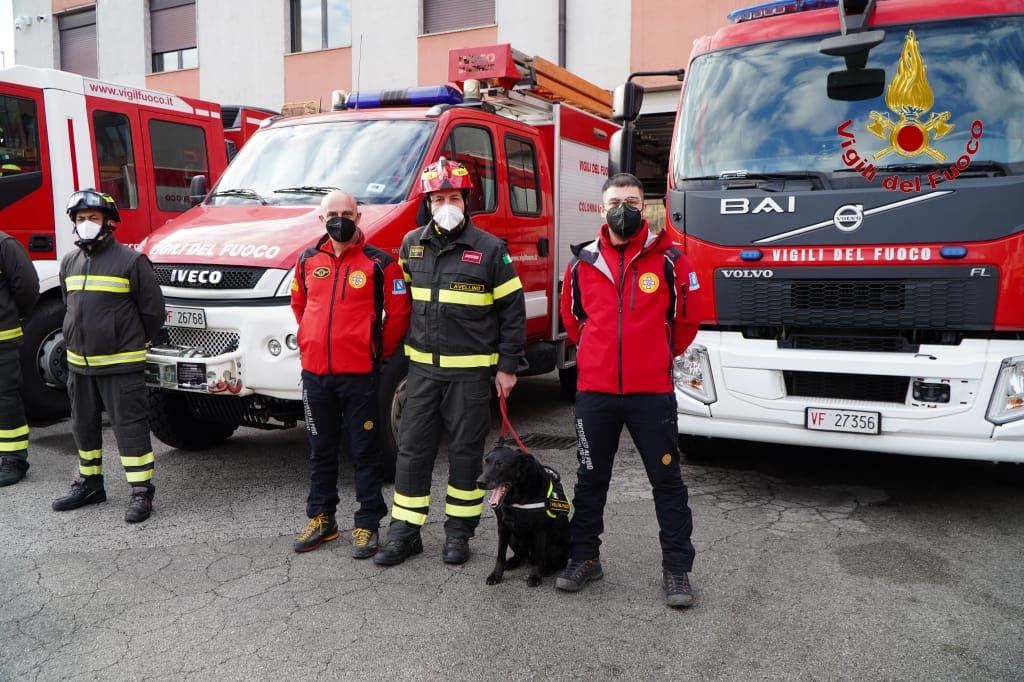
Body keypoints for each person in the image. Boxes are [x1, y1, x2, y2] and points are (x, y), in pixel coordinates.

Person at [556, 172, 703, 608]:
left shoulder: (671, 260)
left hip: (651, 393)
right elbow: (572, 320)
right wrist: (598, 354)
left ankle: (677, 570)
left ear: (646, 208)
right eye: (616, 202)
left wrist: (655, 356)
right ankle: (584, 558)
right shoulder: (581, 263)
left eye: (633, 202)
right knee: (590, 480)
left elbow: (687, 319)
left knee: (667, 482)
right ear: (602, 210)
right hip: (595, 393)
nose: (624, 209)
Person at [374, 157, 526, 567]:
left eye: (453, 198)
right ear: (427, 203)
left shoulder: (491, 250)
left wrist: (507, 367)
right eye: (438, 199)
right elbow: (403, 303)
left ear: (466, 201)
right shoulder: (411, 244)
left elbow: (512, 311)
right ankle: (404, 533)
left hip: (469, 376)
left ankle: (459, 534)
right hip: (422, 373)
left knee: (465, 455)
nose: (446, 205)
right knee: (411, 453)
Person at [289, 189, 411, 557]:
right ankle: (322, 518)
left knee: (364, 452)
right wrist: (312, 341)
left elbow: (399, 313)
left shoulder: (381, 263)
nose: (339, 220)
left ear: (358, 217)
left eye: (346, 213)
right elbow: (299, 305)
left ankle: (367, 523)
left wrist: (375, 351)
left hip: (360, 376)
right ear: (321, 219)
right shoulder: (307, 260)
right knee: (320, 450)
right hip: (315, 375)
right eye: (332, 214)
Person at [52, 189, 166, 523]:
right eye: (81, 218)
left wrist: (129, 342)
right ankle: (90, 484)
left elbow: (153, 312)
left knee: (130, 428)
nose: (86, 223)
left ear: (107, 222)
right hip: (80, 365)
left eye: (93, 217)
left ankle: (141, 491)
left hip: (121, 365)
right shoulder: (69, 262)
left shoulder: (131, 261)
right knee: (83, 426)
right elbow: (69, 305)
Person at [0, 230, 40, 486]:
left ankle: (14, 459)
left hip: (2, 339)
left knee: (5, 399)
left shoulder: (5, 245)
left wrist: (11, 317)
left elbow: (28, 288)